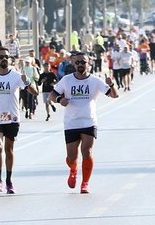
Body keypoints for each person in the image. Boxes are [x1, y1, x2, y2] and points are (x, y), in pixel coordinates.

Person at [50, 52, 118, 194]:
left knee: (87, 152)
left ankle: (85, 183)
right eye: (78, 62)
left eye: (84, 62)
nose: (81, 64)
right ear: (74, 64)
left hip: (88, 121)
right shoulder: (67, 80)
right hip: (71, 123)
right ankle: (73, 170)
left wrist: (111, 84)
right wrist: (59, 100)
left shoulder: (95, 81)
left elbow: (114, 95)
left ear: (89, 64)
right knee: (71, 157)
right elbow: (52, 95)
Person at [0, 46, 31, 194]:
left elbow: (33, 91)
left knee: (9, 149)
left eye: (6, 56)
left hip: (12, 117)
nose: (4, 59)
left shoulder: (16, 76)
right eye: (1, 56)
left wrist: (27, 82)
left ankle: (9, 181)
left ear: (10, 59)